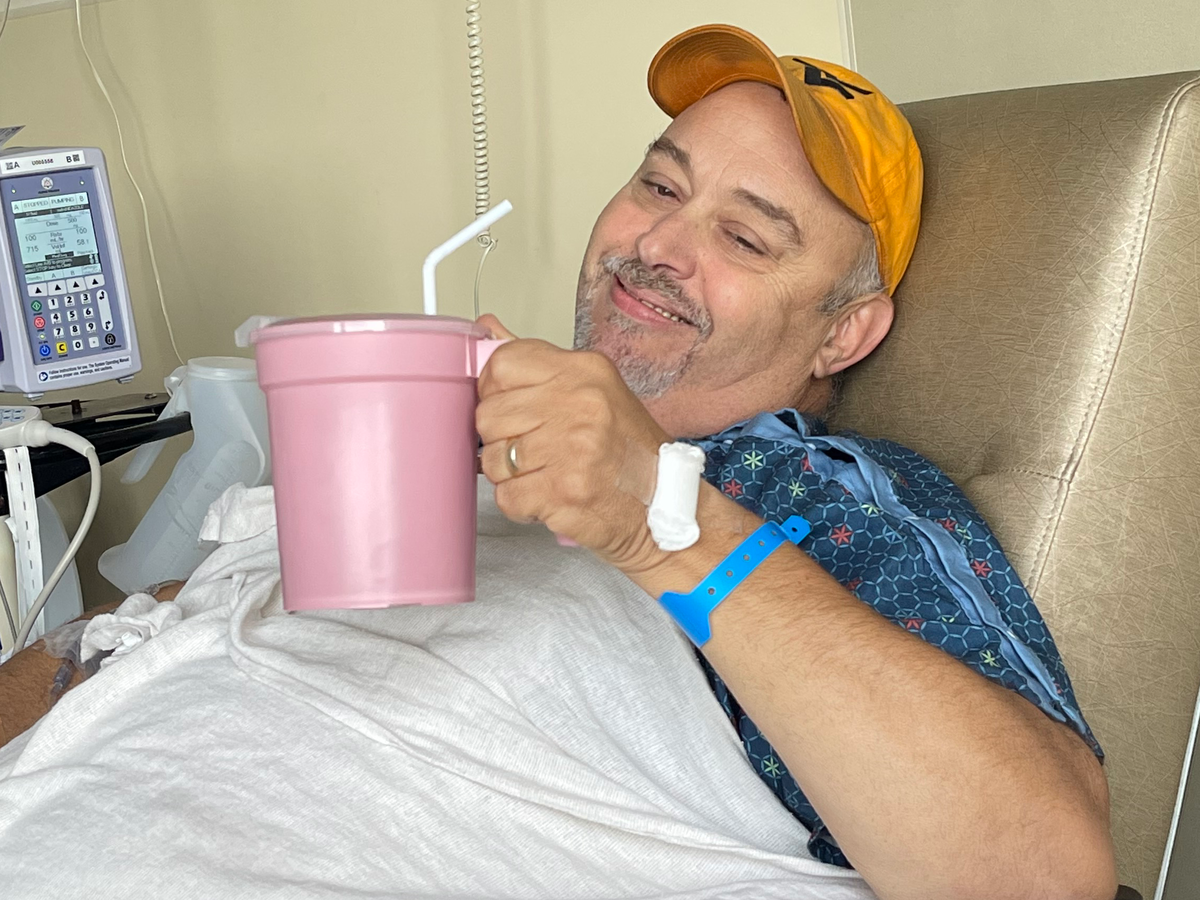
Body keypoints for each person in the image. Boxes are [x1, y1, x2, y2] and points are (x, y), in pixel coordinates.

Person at [0, 25, 1116, 900]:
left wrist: (658, 515)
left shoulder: (814, 492)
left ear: (844, 334)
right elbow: (138, 637)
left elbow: (1040, 872)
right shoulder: (461, 437)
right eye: (661, 187)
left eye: (744, 237)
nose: (657, 247)